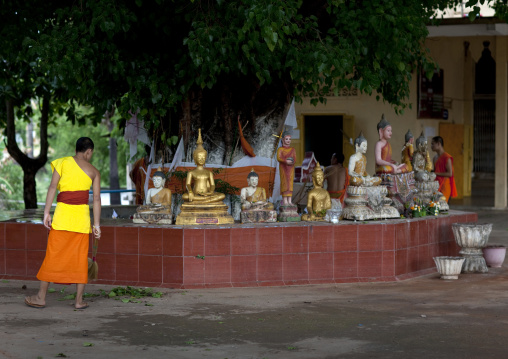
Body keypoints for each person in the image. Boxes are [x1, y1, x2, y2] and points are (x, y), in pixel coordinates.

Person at [25, 137, 101, 310]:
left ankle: (40, 297)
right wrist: (96, 225)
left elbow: (52, 187)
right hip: (81, 222)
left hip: (62, 219)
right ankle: (79, 301)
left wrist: (46, 213)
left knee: (53, 257)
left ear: (77, 149)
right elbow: (96, 199)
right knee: (80, 260)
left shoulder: (62, 163)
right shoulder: (94, 171)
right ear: (88, 151)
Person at [431, 136, 457, 202]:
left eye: (433, 144)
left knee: (443, 205)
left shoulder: (447, 157)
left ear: (439, 144)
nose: (431, 146)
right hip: (437, 184)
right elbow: (435, 171)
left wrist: (435, 173)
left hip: (445, 185)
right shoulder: (435, 158)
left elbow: (450, 173)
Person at [277, 131, 296, 206]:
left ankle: (290, 201)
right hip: (283, 169)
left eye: (289, 139)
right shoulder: (280, 149)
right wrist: (285, 161)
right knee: (285, 183)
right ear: (282, 140)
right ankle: (285, 201)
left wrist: (291, 161)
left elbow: (295, 158)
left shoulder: (293, 149)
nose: (288, 141)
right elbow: (278, 158)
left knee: (290, 183)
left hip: (290, 168)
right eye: (287, 139)